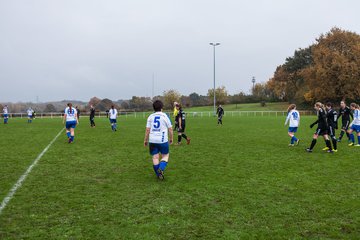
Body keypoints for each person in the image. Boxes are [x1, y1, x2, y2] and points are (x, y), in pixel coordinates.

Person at [144, 100, 173, 180]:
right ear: (162, 107)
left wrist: (145, 140)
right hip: (163, 140)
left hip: (152, 140)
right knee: (165, 155)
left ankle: (158, 174)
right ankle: (161, 169)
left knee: (155, 157)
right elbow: (170, 129)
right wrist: (171, 138)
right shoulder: (165, 116)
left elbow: (147, 130)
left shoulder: (150, 116)